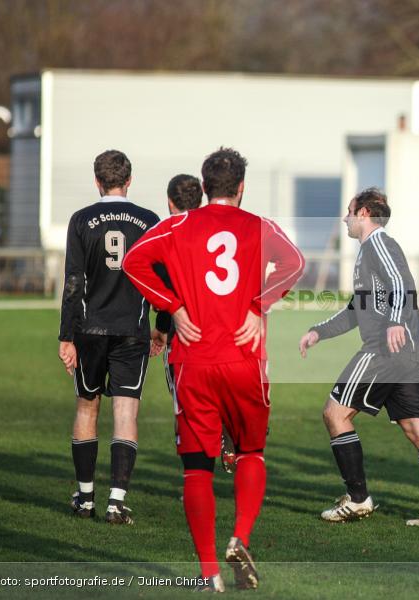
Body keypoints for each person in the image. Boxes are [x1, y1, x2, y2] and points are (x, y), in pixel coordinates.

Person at [123, 148, 305, 591]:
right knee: (250, 452)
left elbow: (133, 263)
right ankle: (240, 535)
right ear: (242, 187)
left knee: (197, 468)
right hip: (245, 359)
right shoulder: (257, 226)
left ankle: (209, 574)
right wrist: (257, 306)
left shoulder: (178, 224)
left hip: (194, 361)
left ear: (204, 188)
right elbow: (294, 264)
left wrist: (173, 306)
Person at [299, 188, 419, 526]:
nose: (345, 218)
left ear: (363, 214)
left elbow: (401, 285)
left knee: (335, 414)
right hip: (411, 353)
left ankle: (358, 499)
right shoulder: (367, 253)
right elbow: (355, 310)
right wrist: (319, 331)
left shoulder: (378, 244)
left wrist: (394, 322)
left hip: (385, 351)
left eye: (348, 211)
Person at [58, 149, 160, 526]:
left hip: (90, 329)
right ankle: (117, 502)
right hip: (132, 329)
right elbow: (159, 281)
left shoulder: (82, 220)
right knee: (126, 410)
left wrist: (65, 336)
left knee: (87, 406)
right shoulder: (150, 221)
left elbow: (74, 282)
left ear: (97, 181)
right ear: (129, 180)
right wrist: (160, 327)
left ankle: (85, 498)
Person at [149, 175, 238, 473]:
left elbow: (167, 292)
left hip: (184, 337)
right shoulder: (216, 229)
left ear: (169, 202)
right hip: (222, 334)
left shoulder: (170, 235)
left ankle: (197, 477)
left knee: (187, 408)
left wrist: (161, 328)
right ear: (201, 196)